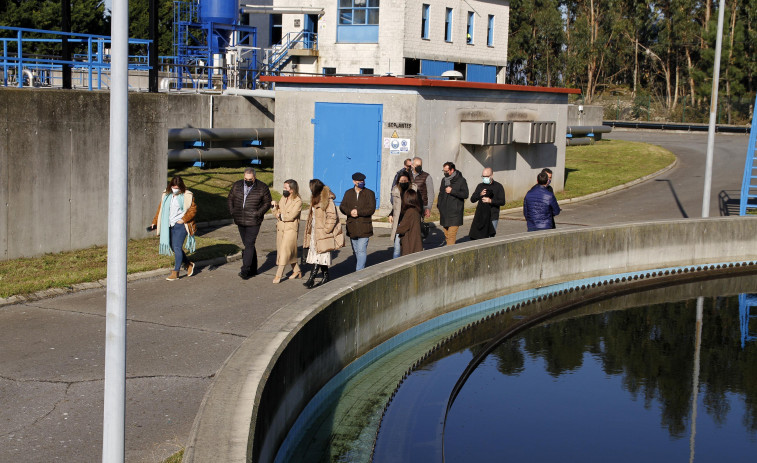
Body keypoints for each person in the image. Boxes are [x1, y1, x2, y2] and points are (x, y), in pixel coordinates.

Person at [227, 167, 272, 279]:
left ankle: (245, 270)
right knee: (248, 245)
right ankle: (253, 269)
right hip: (240, 219)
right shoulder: (237, 185)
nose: (248, 181)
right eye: (246, 178)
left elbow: (267, 203)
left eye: (250, 179)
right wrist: (232, 211)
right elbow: (230, 199)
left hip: (253, 221)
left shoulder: (262, 187)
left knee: (249, 244)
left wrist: (258, 213)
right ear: (243, 177)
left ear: (254, 177)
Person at [151, 176, 197, 281]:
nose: (175, 189)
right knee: (173, 247)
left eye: (177, 187)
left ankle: (175, 272)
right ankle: (188, 264)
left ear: (181, 187)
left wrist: (183, 219)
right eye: (173, 186)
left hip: (181, 226)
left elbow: (193, 210)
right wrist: (154, 222)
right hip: (169, 225)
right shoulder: (166, 195)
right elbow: (160, 210)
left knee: (177, 247)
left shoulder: (187, 195)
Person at [303, 179, 343, 288]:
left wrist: (326, 230)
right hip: (315, 231)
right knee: (320, 255)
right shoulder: (315, 198)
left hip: (323, 233)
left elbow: (332, 216)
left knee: (319, 255)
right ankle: (326, 276)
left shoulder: (327, 199)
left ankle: (311, 278)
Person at [340, 172, 376, 271]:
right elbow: (342, 206)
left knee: (361, 250)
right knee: (356, 251)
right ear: (354, 182)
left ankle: (359, 272)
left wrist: (358, 212)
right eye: (359, 181)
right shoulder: (348, 193)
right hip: (352, 227)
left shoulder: (369, 193)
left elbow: (371, 209)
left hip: (364, 227)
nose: (362, 182)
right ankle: (360, 267)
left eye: (363, 181)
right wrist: (349, 212)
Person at [271, 179, 302, 284]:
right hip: (281, 228)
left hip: (291, 230)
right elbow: (277, 213)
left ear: (292, 190)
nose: (284, 190)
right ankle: (297, 270)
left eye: (286, 188)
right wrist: (274, 207)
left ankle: (278, 275)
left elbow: (291, 216)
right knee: (285, 251)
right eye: (284, 187)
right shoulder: (283, 198)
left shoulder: (298, 201)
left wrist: (280, 215)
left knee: (284, 252)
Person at [469, 167, 506, 240]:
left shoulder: (498, 186)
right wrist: (480, 194)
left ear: (491, 176)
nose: (484, 178)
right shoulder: (480, 186)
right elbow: (472, 199)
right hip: (481, 217)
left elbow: (502, 202)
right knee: (478, 238)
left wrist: (490, 201)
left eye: (486, 176)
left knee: (490, 239)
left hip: (492, 216)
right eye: (483, 176)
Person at [437, 161, 469, 245]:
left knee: (451, 235)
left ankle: (449, 254)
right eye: (443, 171)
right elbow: (441, 194)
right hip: (444, 212)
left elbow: (465, 194)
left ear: (452, 170)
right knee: (446, 235)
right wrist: (439, 206)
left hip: (455, 213)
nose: (445, 173)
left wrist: (452, 191)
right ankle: (451, 251)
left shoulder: (461, 180)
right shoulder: (444, 180)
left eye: (446, 171)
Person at [388, 171, 417, 258]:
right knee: (397, 246)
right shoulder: (396, 189)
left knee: (409, 245)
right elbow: (395, 206)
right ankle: (395, 265)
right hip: (399, 221)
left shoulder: (414, 189)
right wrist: (391, 214)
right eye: (401, 180)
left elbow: (418, 204)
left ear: (408, 180)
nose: (403, 182)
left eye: (405, 180)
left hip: (410, 219)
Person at [395, 189, 424, 256]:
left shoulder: (409, 212)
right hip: (416, 242)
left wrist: (396, 228)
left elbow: (402, 228)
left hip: (410, 243)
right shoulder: (416, 210)